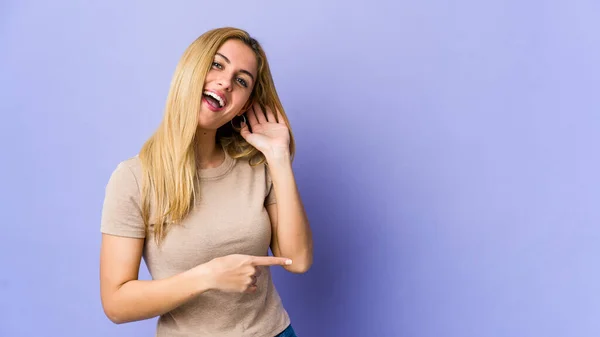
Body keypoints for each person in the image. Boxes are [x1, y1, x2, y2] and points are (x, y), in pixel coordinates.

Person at [99, 27, 313, 337]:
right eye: (217, 64)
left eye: (242, 81)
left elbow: (298, 260)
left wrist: (278, 157)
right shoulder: (134, 179)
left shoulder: (255, 165)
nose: (226, 82)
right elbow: (116, 304)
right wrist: (208, 276)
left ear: (243, 104)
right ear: (191, 68)